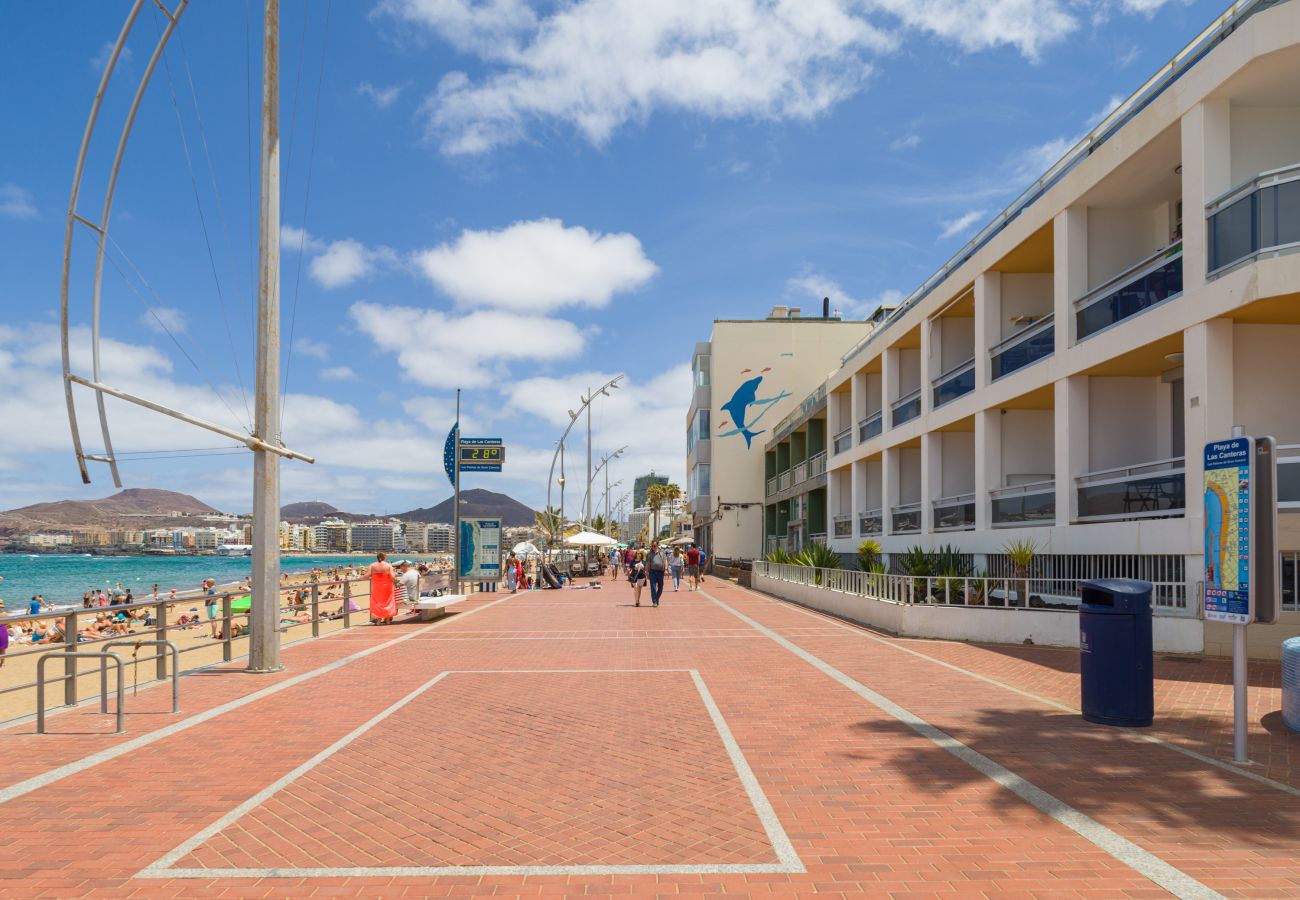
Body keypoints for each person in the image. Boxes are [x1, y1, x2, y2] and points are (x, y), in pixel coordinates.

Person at [368, 551, 397, 625]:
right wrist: (395, 578)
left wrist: (359, 578)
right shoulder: (388, 566)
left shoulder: (372, 565)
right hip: (387, 586)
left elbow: (368, 574)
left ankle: (378, 621)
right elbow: (392, 577)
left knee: (378, 602)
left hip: (377, 587)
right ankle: (387, 620)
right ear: (384, 557)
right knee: (388, 602)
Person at [646, 541, 668, 608]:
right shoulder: (649, 553)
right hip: (652, 572)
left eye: (654, 546)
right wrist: (647, 572)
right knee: (653, 587)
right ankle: (654, 601)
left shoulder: (662, 552)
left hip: (660, 572)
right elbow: (648, 563)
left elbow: (665, 561)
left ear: (658, 545)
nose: (653, 547)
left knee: (661, 587)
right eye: (652, 546)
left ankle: (657, 598)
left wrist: (666, 569)